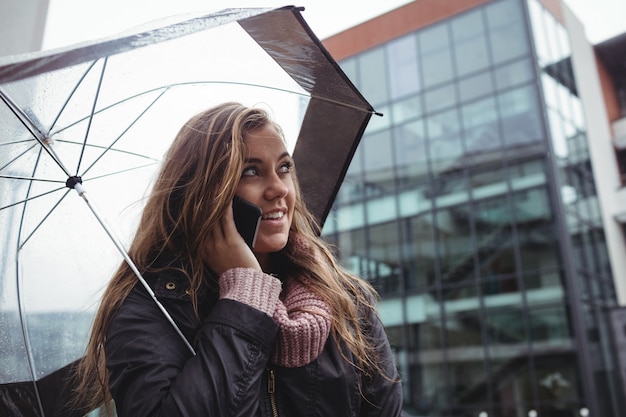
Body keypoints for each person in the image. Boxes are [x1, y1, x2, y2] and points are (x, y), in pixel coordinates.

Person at [74, 102, 404, 416]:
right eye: (251, 171)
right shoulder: (153, 309)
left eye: (284, 167)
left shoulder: (346, 299)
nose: (279, 189)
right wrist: (245, 299)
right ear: (203, 193)